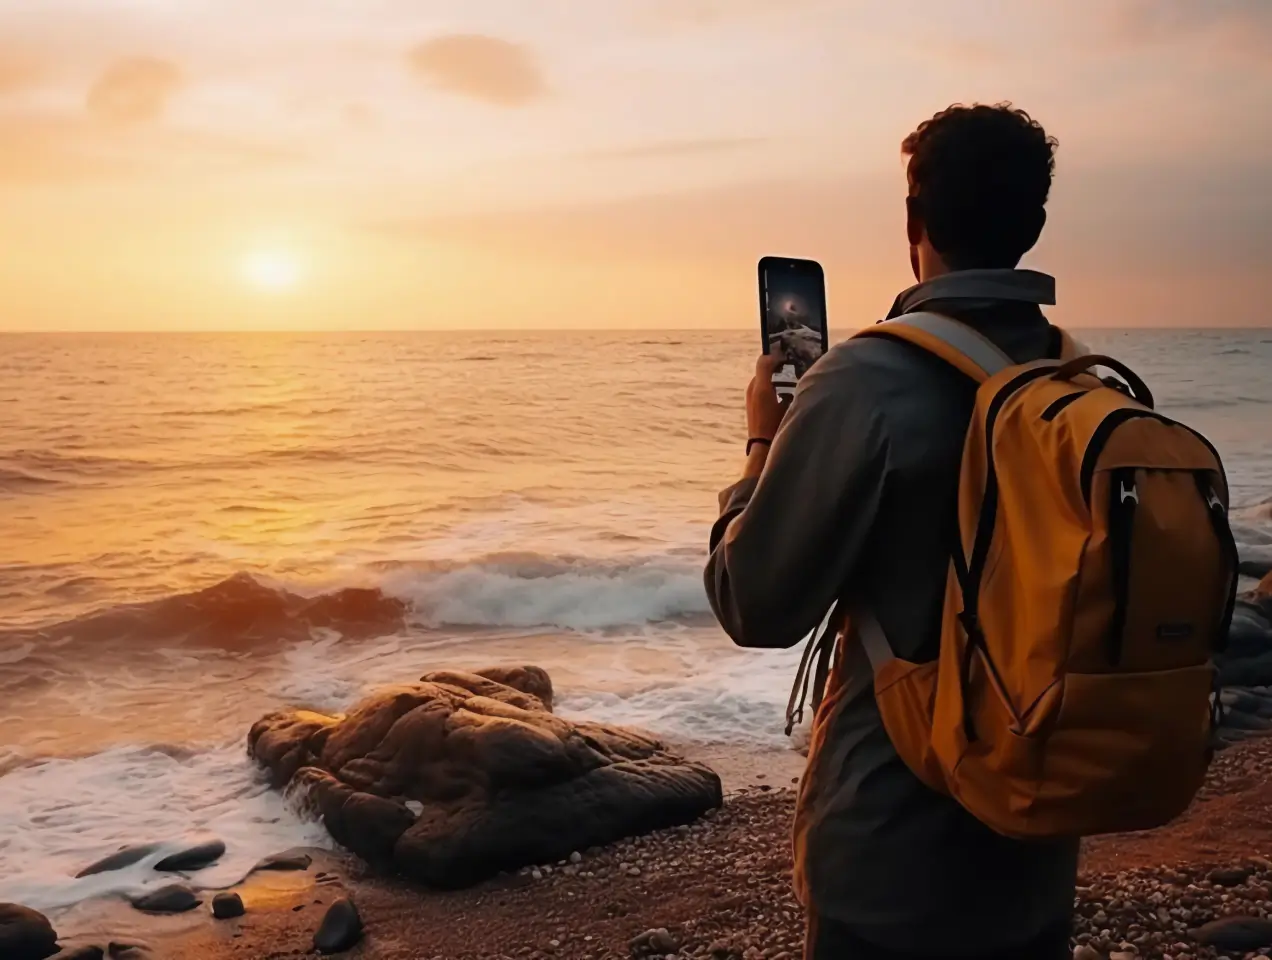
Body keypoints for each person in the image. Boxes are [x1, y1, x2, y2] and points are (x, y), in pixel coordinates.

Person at [704, 103, 1078, 960]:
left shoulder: (867, 380)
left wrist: (762, 445)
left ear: (914, 221)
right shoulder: (1074, 375)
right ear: (1033, 225)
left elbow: (752, 604)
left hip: (891, 853)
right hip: (1036, 836)